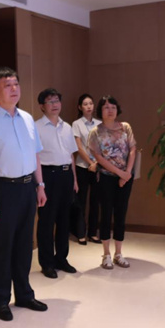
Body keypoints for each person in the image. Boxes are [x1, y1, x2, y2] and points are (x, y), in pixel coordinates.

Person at [0, 67, 48, 321]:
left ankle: (24, 294)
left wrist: (40, 185)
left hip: (27, 187)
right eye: (8, 85)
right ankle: (1, 300)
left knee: (25, 245)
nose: (14, 89)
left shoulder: (27, 118)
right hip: (2, 189)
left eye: (16, 84)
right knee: (2, 247)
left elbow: (35, 154)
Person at [88, 95, 136, 270]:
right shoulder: (95, 132)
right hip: (106, 177)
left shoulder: (125, 127)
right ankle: (106, 254)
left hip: (126, 177)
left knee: (121, 214)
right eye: (106, 107)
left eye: (113, 107)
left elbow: (132, 149)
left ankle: (119, 253)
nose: (110, 110)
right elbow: (99, 158)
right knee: (106, 213)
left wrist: (127, 173)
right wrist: (120, 173)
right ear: (100, 110)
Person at [35, 88, 78, 279]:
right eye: (50, 101)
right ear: (42, 106)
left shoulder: (66, 127)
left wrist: (74, 179)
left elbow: (70, 155)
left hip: (66, 175)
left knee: (64, 219)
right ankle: (47, 263)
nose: (55, 105)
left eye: (57, 101)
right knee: (46, 220)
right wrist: (39, 184)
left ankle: (61, 258)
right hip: (47, 175)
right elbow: (34, 157)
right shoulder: (36, 127)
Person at [71, 94, 101, 245]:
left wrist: (97, 163)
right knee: (81, 201)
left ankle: (93, 233)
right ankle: (81, 233)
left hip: (98, 166)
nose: (89, 106)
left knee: (96, 201)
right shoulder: (76, 124)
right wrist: (90, 163)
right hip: (82, 166)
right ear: (80, 107)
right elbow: (78, 147)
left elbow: (102, 145)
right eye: (85, 104)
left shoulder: (100, 123)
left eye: (90, 103)